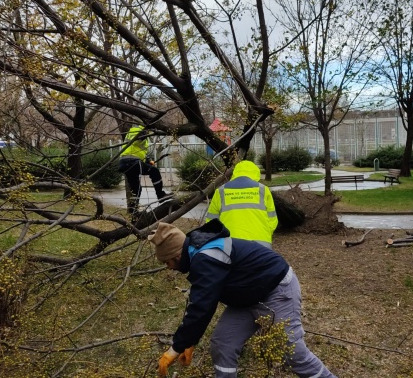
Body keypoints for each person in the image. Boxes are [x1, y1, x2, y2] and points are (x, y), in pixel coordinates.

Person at [148, 220, 337, 378]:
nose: (169, 268)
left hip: (276, 290)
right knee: (223, 344)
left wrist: (177, 347)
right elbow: (202, 301)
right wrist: (190, 340)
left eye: (167, 262)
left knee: (292, 352)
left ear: (177, 254)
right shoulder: (199, 253)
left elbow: (201, 307)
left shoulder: (205, 257)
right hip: (248, 297)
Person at [205, 160, 278, 249]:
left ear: (235, 172)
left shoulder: (220, 191)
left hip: (230, 245)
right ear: (255, 173)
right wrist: (264, 234)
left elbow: (211, 222)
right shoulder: (263, 190)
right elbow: (273, 221)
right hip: (261, 246)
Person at [118, 125, 168, 215]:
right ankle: (161, 195)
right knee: (155, 172)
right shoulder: (137, 130)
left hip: (126, 163)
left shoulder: (141, 134)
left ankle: (133, 211)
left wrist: (148, 162)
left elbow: (138, 151)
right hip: (132, 162)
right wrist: (143, 133)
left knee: (136, 188)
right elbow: (136, 139)